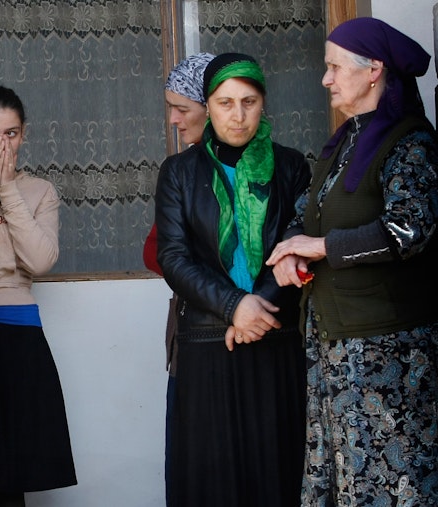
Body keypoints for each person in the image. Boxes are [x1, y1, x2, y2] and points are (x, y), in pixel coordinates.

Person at [266, 17, 438, 506]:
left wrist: (320, 248)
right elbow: (304, 216)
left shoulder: (410, 143)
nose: (326, 79)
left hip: (389, 354)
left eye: (334, 67)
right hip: (334, 346)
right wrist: (290, 253)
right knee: (342, 481)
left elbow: (409, 230)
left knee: (389, 481)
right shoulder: (342, 143)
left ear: (374, 71)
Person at [155, 53, 310, 507]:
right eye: (225, 103)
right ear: (208, 105)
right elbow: (174, 257)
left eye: (249, 101)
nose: (237, 115)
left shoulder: (290, 168)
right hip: (207, 342)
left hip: (274, 343)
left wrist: (257, 308)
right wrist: (233, 306)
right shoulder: (180, 173)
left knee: (276, 474)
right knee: (210, 480)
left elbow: (296, 243)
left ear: (264, 104)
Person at [0, 84, 77, 507]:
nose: (0, 144)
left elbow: (41, 261)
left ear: (23, 136)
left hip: (18, 334)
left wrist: (7, 191)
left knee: (10, 469)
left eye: (10, 134)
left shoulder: (41, 191)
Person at [140, 51, 213, 507]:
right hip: (190, 330)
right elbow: (155, 251)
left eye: (182, 109)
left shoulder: (265, 169)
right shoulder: (183, 170)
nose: (173, 120)